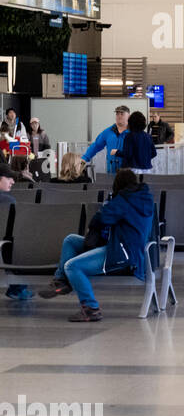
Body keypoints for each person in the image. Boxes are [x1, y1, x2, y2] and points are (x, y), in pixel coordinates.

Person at [38, 168, 155, 322]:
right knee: (71, 240)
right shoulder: (144, 198)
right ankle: (61, 281)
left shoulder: (124, 200)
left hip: (121, 254)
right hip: (120, 247)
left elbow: (101, 219)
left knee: (72, 266)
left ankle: (91, 308)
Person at [0, 164, 31, 301]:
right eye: (8, 178)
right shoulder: (8, 201)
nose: (12, 181)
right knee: (15, 242)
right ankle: (18, 288)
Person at [83, 105, 130, 176]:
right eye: (117, 114)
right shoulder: (108, 132)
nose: (119, 116)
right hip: (111, 172)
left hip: (129, 172)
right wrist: (84, 158)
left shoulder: (133, 133)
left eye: (122, 114)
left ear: (129, 116)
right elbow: (96, 146)